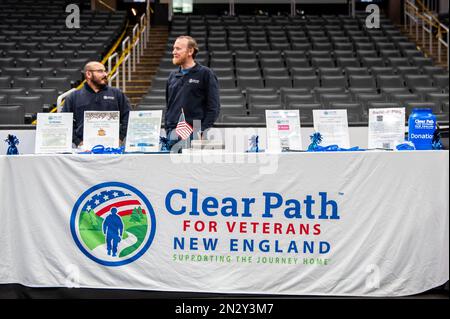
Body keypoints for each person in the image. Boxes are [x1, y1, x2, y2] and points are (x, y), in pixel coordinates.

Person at [62, 61, 131, 147]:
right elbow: (65, 121)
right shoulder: (73, 97)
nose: (105, 74)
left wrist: (120, 138)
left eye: (105, 71)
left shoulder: (117, 94)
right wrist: (78, 141)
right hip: (84, 148)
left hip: (112, 147)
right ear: (88, 74)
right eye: (100, 71)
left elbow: (128, 116)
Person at [165, 36, 220, 141]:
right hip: (172, 135)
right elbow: (169, 107)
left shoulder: (206, 74)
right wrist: (168, 128)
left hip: (194, 134)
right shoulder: (172, 76)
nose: (174, 52)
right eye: (173, 48)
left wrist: (202, 130)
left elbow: (214, 107)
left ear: (190, 51)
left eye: (178, 49)